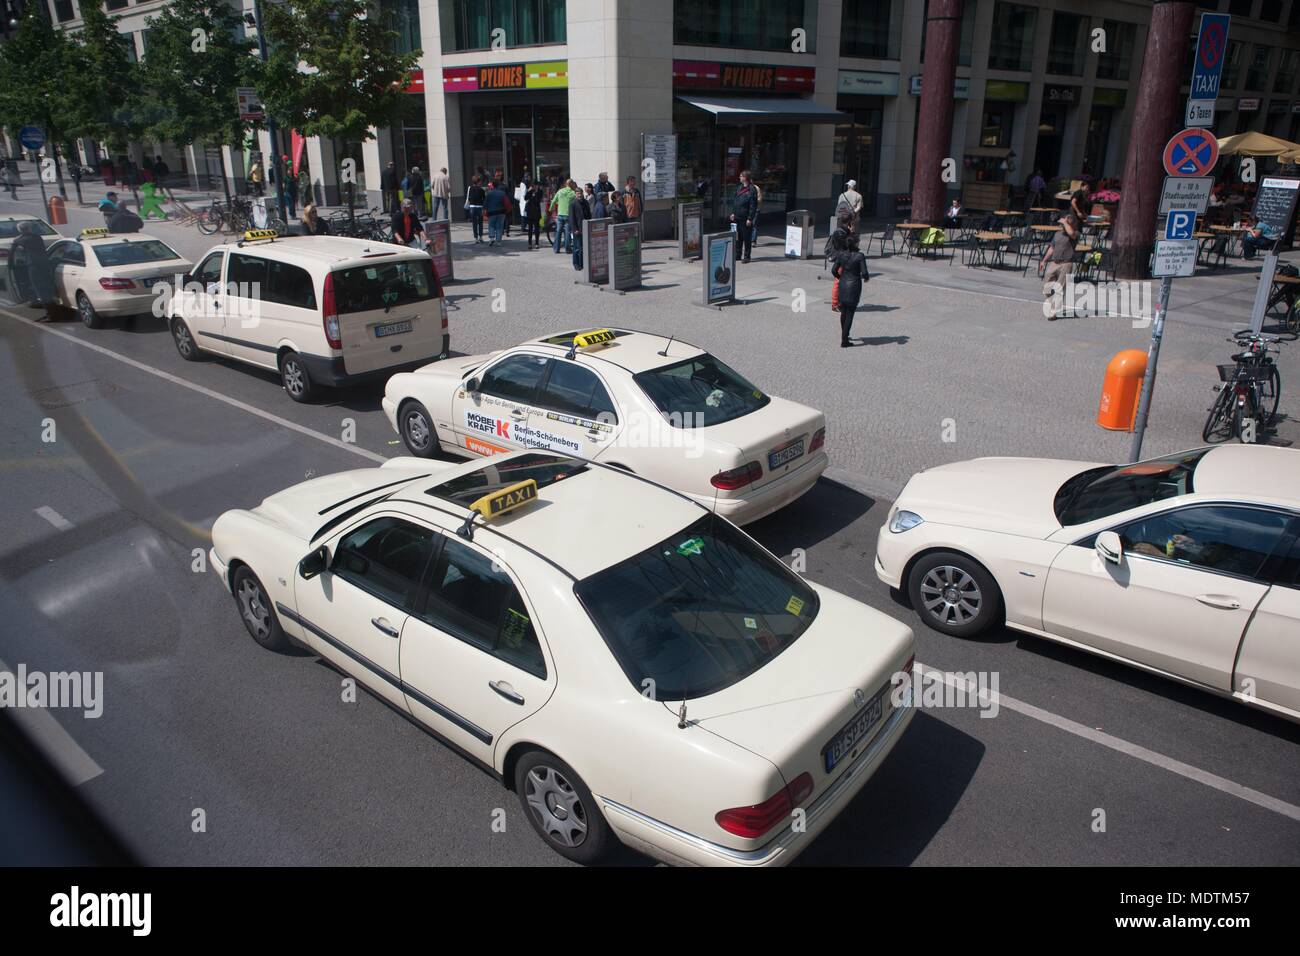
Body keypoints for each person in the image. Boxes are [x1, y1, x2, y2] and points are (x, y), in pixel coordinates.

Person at [831, 232, 869, 348]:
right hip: (854, 286)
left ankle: (845, 335)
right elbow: (865, 273)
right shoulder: (860, 256)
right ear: (856, 243)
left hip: (843, 285)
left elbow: (833, 270)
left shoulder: (841, 255)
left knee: (843, 312)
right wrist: (866, 278)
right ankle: (844, 340)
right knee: (850, 314)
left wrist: (840, 278)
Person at [9, 220, 56, 313]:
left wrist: (11, 264)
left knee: (40, 289)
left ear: (20, 230)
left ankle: (51, 313)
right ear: (29, 228)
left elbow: (12, 251)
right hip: (45, 265)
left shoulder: (20, 240)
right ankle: (53, 310)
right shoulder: (37, 237)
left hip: (34, 266)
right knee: (47, 287)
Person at [1039, 214, 1078, 320]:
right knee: (1046, 287)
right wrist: (1044, 260)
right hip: (1054, 263)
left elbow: (1071, 233)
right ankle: (1053, 303)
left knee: (1059, 288)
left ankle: (1054, 312)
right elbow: (1051, 248)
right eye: (1064, 220)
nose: (1064, 222)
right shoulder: (1057, 234)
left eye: (1067, 221)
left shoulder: (1074, 234)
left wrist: (1065, 222)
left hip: (1066, 263)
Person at [730, 170, 759, 263]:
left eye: (741, 176)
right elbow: (736, 202)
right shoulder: (739, 188)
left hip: (745, 217)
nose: (739, 177)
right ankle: (738, 255)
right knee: (738, 237)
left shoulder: (752, 189)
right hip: (737, 216)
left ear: (745, 178)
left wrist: (750, 218)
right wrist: (733, 213)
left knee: (746, 238)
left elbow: (753, 205)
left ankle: (747, 256)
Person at [550, 179, 577, 253]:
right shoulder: (573, 193)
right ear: (571, 184)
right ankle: (567, 249)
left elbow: (553, 201)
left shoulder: (560, 191)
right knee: (567, 232)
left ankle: (556, 249)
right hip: (568, 215)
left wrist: (550, 210)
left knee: (558, 232)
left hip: (560, 215)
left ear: (566, 184)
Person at [568, 180, 589, 271]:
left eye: (580, 193)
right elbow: (571, 218)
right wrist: (574, 229)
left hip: (585, 228)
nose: (579, 195)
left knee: (583, 248)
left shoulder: (585, 202)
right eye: (577, 194)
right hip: (577, 229)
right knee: (577, 248)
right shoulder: (573, 204)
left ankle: (583, 263)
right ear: (575, 194)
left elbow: (589, 215)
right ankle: (576, 263)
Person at [485, 179, 508, 246]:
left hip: (491, 212)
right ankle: (498, 241)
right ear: (498, 185)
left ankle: (491, 238)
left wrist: (485, 210)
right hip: (501, 211)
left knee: (491, 225)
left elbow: (486, 203)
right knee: (499, 226)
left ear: (493, 185)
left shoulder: (489, 193)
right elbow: (506, 202)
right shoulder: (502, 193)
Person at [523, 180, 544, 249]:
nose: (534, 187)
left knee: (536, 229)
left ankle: (537, 243)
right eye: (533, 185)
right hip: (530, 212)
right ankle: (529, 243)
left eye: (535, 185)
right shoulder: (530, 191)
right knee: (530, 229)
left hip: (537, 212)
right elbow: (525, 198)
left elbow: (538, 200)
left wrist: (535, 193)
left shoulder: (540, 192)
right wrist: (529, 191)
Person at [464, 175, 486, 243]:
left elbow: (469, 198)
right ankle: (481, 237)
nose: (481, 183)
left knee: (474, 223)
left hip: (472, 207)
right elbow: (484, 199)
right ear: (478, 182)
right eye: (480, 181)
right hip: (480, 207)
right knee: (480, 223)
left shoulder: (470, 188)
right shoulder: (481, 190)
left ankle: (475, 238)